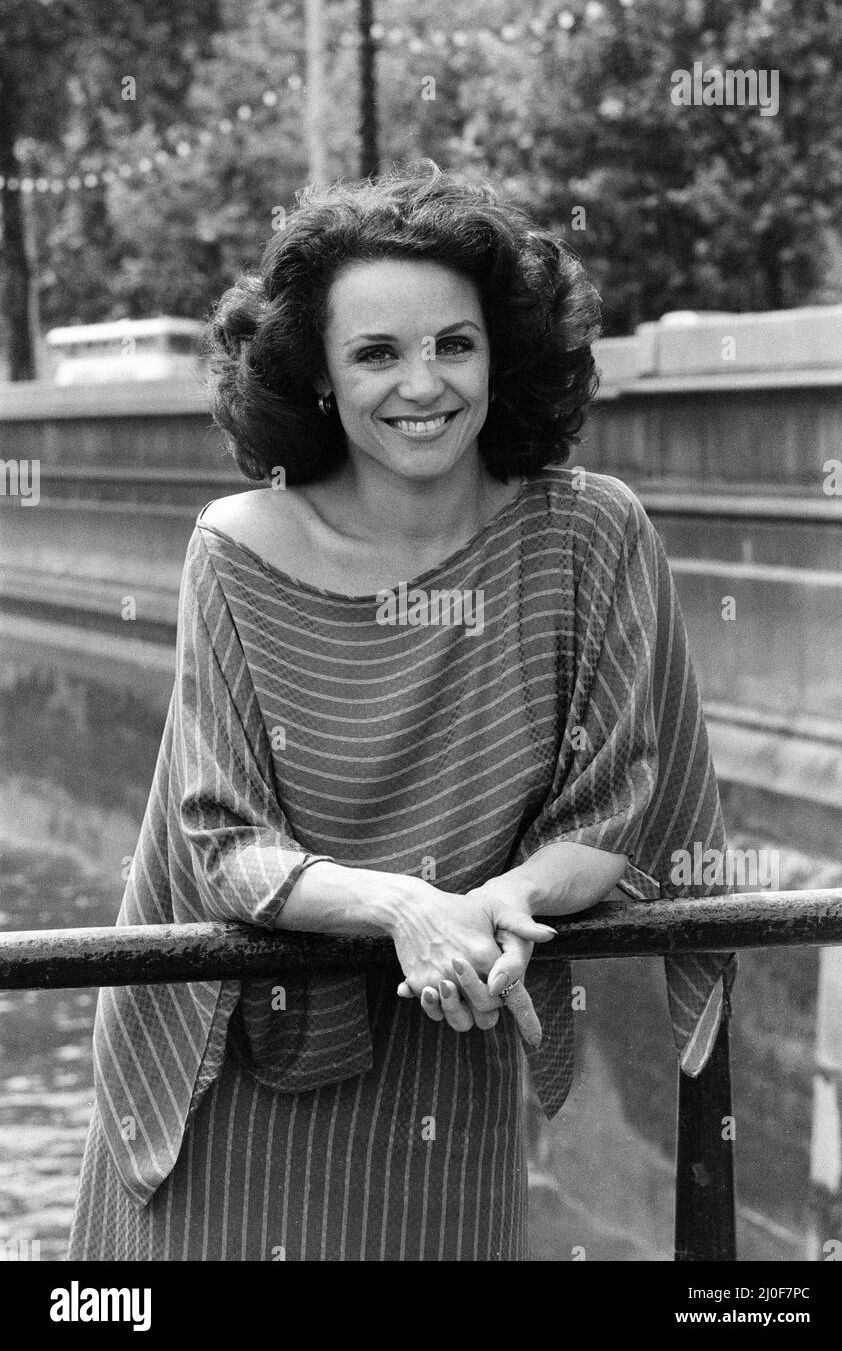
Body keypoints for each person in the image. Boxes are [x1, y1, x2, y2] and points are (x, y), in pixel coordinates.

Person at [67, 161, 735, 1262]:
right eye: (375, 352)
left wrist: (504, 903)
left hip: (450, 1043)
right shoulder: (233, 550)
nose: (421, 384)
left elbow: (613, 807)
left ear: (497, 353)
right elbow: (223, 843)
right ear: (319, 379)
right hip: (227, 1078)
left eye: (452, 345)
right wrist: (406, 910)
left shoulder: (595, 535)